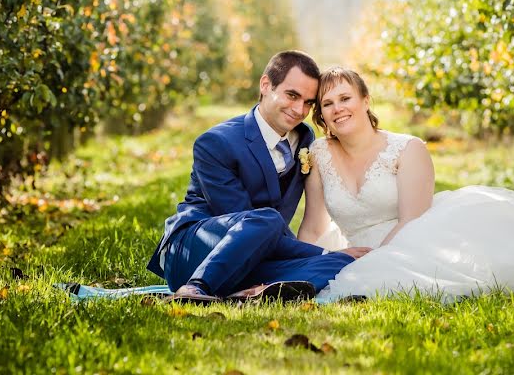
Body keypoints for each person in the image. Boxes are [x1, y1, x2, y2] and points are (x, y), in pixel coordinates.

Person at [297, 67, 514, 301]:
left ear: (365, 100)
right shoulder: (320, 154)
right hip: (355, 246)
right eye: (328, 103)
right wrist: (304, 267)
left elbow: (411, 220)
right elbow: (312, 226)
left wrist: (368, 263)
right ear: (321, 116)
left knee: (493, 271)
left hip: (413, 238)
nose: (338, 109)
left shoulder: (407, 148)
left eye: (345, 98)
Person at [147, 51, 369, 303]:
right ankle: (195, 288)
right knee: (271, 221)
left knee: (339, 264)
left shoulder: (305, 138)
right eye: (292, 95)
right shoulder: (215, 143)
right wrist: (322, 251)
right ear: (266, 85)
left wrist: (333, 256)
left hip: (256, 258)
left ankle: (247, 292)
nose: (299, 110)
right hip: (198, 252)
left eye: (308, 103)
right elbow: (249, 223)